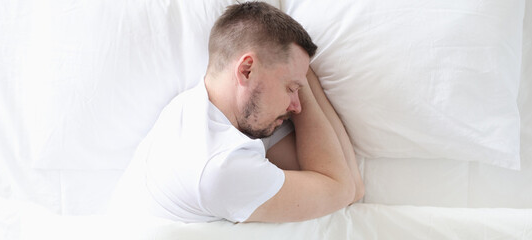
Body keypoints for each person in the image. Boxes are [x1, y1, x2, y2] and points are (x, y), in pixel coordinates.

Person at [130, 2, 363, 223]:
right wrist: (306, 83)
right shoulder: (222, 168)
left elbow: (343, 181)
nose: (297, 106)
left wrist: (298, 75)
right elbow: (345, 188)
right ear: (247, 70)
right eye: (291, 89)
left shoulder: (196, 109)